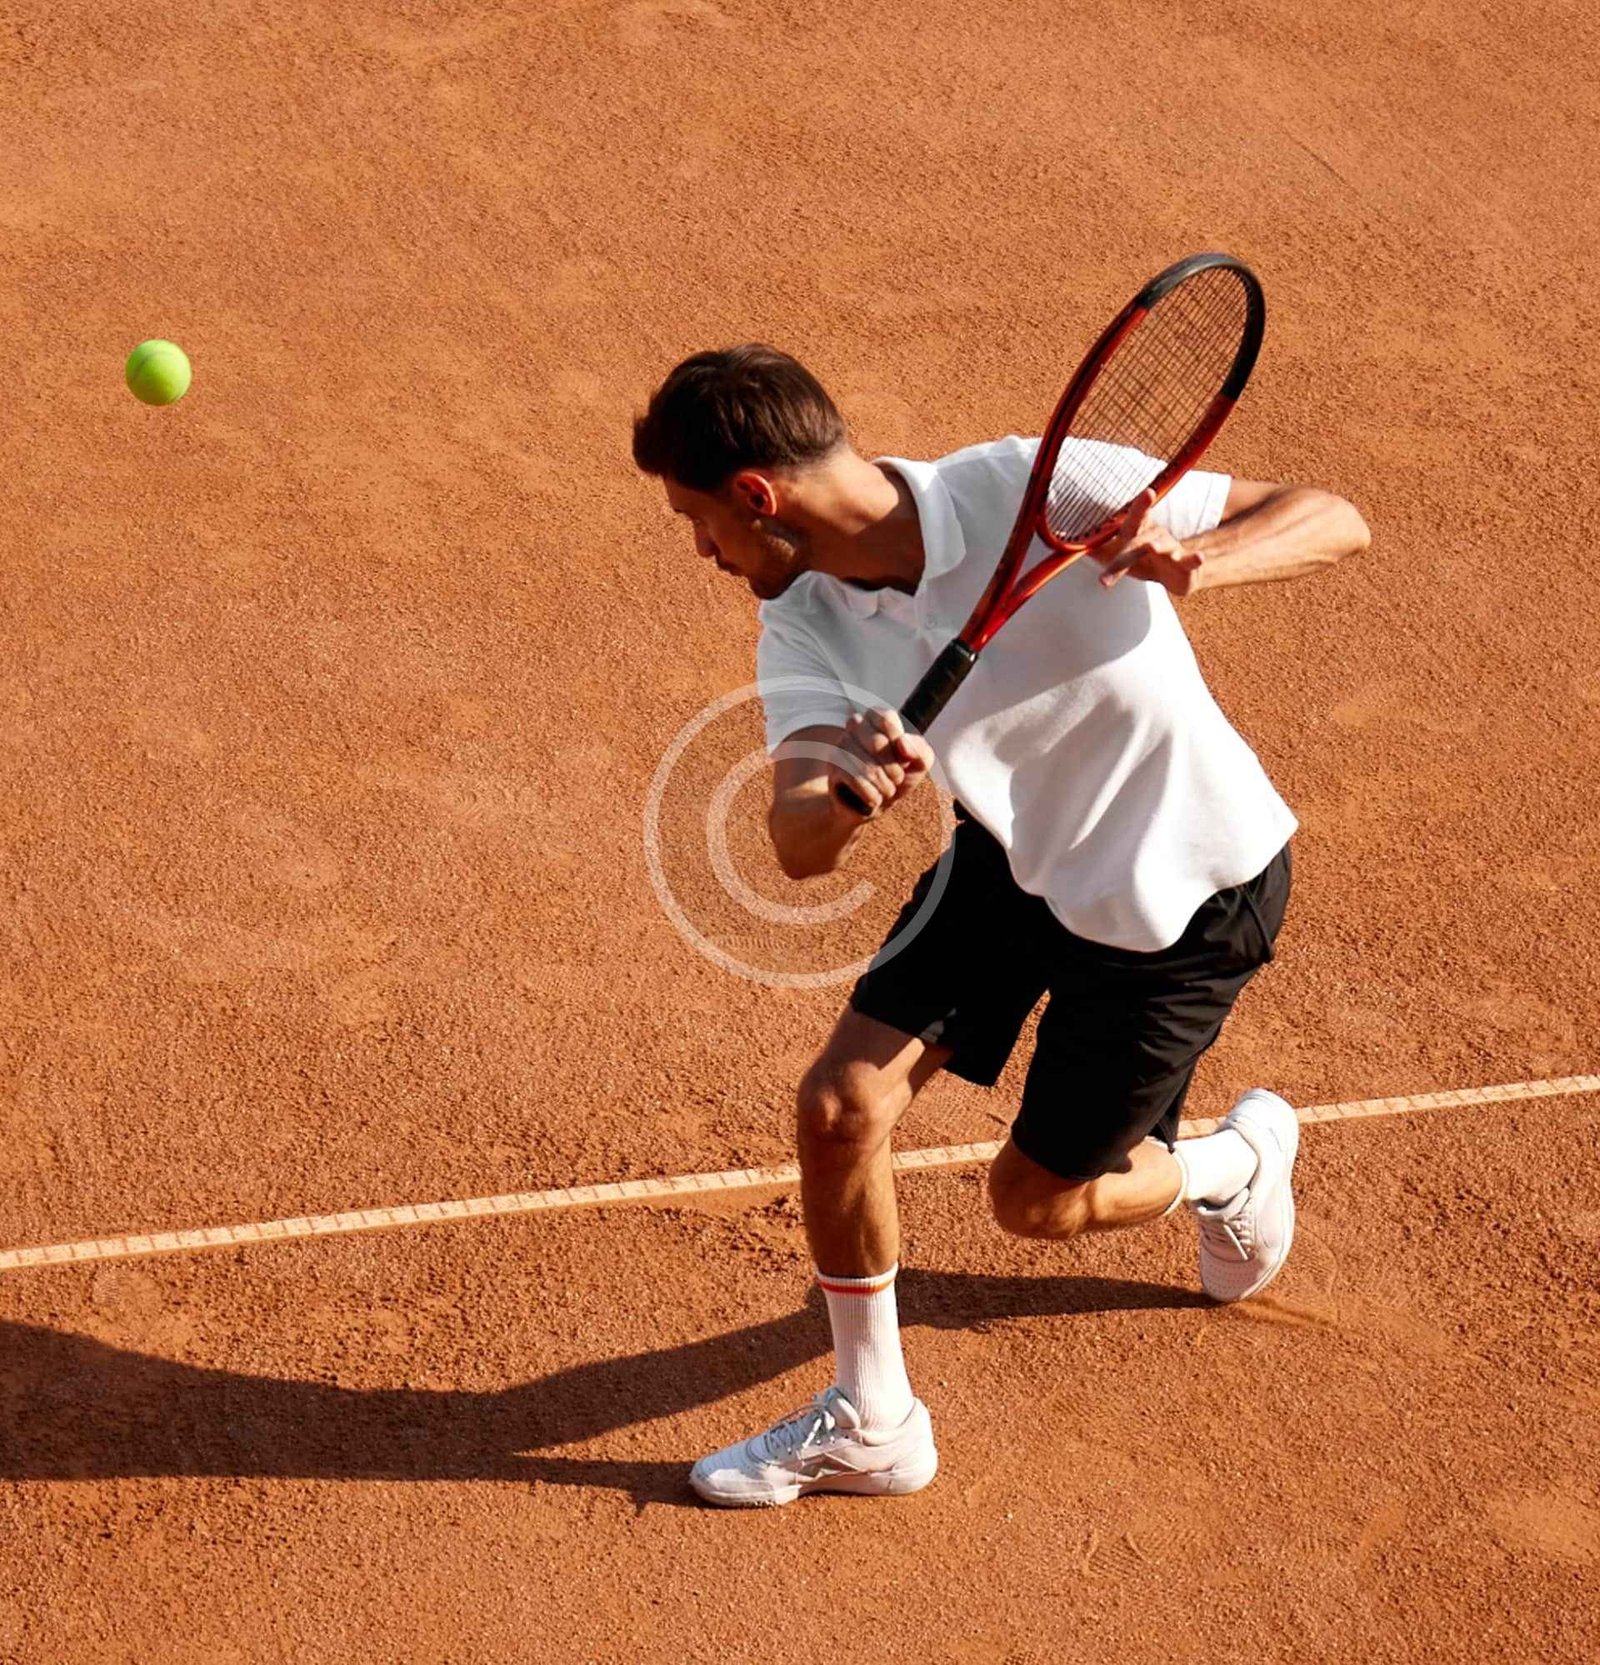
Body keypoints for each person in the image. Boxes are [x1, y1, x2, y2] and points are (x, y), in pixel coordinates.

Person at [631, 343, 1370, 1508]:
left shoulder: (1034, 486)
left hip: (1183, 891)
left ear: (756, 495)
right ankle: (874, 1424)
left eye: (698, 521)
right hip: (1012, 861)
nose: (702, 552)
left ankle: (1234, 1162)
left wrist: (1201, 557)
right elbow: (795, 841)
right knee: (839, 1108)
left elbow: (1332, 517)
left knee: (1034, 1206)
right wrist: (843, 793)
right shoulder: (804, 625)